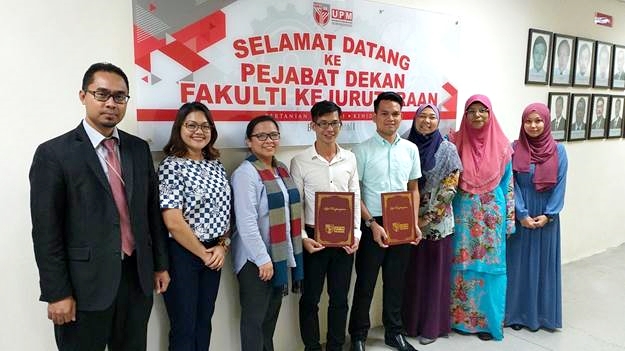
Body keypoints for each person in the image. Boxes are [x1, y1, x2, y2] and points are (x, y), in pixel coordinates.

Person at [29, 62, 170, 351]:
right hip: (84, 286)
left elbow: (150, 212)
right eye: (101, 94)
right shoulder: (54, 154)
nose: (111, 103)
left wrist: (159, 264)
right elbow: (46, 232)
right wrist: (57, 293)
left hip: (136, 280)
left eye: (120, 97)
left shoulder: (138, 148)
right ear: (83, 96)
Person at [348, 91, 422, 351]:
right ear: (374, 116)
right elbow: (355, 193)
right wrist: (371, 224)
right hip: (372, 223)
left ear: (401, 116)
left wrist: (413, 223)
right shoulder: (361, 150)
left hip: (401, 221)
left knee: (395, 281)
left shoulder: (411, 149)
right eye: (385, 113)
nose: (391, 118)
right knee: (365, 282)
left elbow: (413, 188)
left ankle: (394, 332)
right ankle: (358, 335)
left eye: (395, 114)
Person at [158, 102, 231, 350]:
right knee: (183, 326)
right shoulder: (171, 166)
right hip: (183, 254)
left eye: (205, 125)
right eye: (191, 125)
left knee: (204, 322)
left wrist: (222, 246)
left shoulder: (215, 164)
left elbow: (224, 212)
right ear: (179, 128)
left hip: (215, 253)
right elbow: (173, 221)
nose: (199, 131)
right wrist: (204, 254)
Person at [290, 100, 361, 351]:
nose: (329, 129)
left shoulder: (350, 158)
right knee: (310, 299)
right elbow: (296, 205)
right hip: (313, 238)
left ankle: (335, 345)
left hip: (344, 239)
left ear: (340, 124)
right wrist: (301, 237)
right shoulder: (300, 161)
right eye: (323, 124)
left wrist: (355, 233)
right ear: (313, 125)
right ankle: (312, 346)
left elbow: (355, 196)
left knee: (340, 298)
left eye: (334, 123)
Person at [231, 115, 304, 351]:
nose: (268, 140)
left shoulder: (280, 169)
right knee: (254, 323)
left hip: (278, 257)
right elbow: (246, 222)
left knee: (269, 322)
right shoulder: (246, 173)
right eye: (261, 136)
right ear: (248, 141)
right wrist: (263, 259)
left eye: (273, 134)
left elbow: (289, 213)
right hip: (255, 261)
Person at [449, 94, 515, 341]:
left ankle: (487, 322)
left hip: (491, 218)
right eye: (472, 111)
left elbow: (509, 185)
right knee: (461, 265)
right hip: (461, 217)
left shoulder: (503, 146)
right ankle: (459, 321)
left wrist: (509, 220)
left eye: (482, 111)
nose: (477, 115)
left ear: (490, 114)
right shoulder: (454, 142)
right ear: (465, 115)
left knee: (490, 268)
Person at [401, 104, 462, 345]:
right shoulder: (404, 143)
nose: (426, 121)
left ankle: (431, 327)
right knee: (411, 274)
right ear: (414, 119)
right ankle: (410, 322)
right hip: (405, 222)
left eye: (432, 117)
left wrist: (426, 218)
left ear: (438, 121)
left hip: (437, 224)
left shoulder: (448, 149)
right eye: (422, 116)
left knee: (434, 276)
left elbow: (450, 188)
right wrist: (411, 218)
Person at [505, 103, 568, 332]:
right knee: (518, 265)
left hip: (546, 215)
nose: (533, 125)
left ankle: (541, 316)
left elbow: (560, 184)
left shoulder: (559, 151)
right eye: (528, 121)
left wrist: (549, 215)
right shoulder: (514, 148)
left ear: (546, 122)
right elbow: (511, 182)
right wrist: (521, 213)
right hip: (521, 213)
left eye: (538, 121)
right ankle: (516, 315)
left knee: (542, 265)